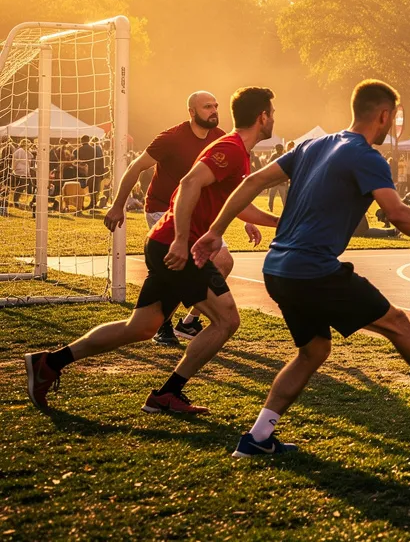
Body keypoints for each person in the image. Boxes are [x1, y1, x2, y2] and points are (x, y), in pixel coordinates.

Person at [191, 80, 410, 458]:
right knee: (396, 323)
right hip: (313, 270)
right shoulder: (367, 157)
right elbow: (397, 213)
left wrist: (215, 231)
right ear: (384, 115)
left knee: (314, 350)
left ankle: (258, 437)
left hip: (277, 268)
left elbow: (253, 181)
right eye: (394, 117)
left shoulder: (312, 145)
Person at [26, 88, 280, 414]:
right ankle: (167, 394)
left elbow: (240, 207)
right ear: (263, 117)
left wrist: (282, 222)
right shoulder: (230, 149)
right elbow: (188, 184)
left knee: (141, 327)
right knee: (226, 320)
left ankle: (49, 363)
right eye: (272, 113)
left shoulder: (237, 151)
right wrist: (180, 239)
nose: (274, 118)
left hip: (167, 244)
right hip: (178, 247)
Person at [103, 91, 260, 345]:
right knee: (177, 268)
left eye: (216, 106)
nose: (213, 110)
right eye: (207, 106)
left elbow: (233, 187)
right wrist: (117, 205)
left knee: (224, 262)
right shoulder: (171, 138)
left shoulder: (222, 139)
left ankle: (188, 323)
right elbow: (136, 167)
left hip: (196, 214)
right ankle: (162, 324)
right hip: (162, 209)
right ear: (192, 112)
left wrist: (248, 220)